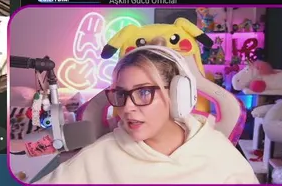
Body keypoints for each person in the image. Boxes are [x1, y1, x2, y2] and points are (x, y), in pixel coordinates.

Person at [38, 46, 258, 183]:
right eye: (121, 94)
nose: (127, 108)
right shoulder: (98, 156)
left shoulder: (216, 150)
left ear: (177, 95)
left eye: (143, 92)